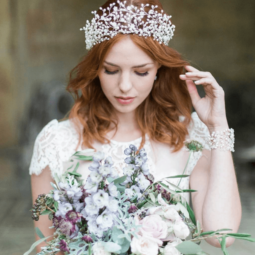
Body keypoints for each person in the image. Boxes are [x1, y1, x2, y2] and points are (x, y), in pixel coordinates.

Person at [29, 0, 241, 253]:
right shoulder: (56, 141)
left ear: (158, 70)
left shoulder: (189, 136)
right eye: (111, 70)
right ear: (96, 70)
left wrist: (218, 127)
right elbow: (46, 247)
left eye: (140, 72)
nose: (125, 86)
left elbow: (221, 236)